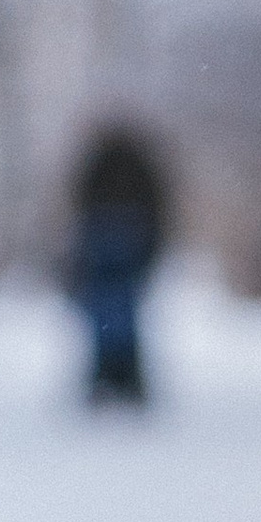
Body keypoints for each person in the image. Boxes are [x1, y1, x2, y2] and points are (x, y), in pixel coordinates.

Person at [66, 126, 171, 406]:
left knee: (107, 312)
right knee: (122, 310)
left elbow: (78, 203)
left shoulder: (101, 164)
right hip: (125, 237)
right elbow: (157, 203)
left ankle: (109, 375)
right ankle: (122, 375)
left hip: (110, 239)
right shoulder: (135, 164)